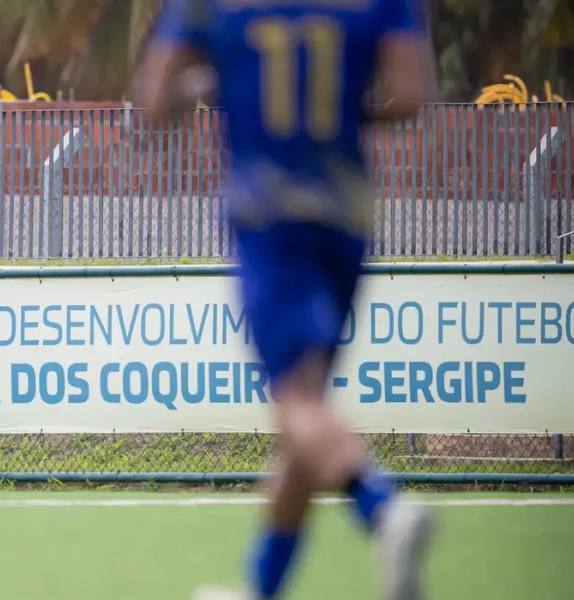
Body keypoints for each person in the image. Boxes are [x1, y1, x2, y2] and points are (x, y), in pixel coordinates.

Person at [131, 1, 438, 599]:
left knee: (296, 401)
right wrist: (337, 116)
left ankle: (383, 509)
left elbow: (152, 104)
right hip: (346, 219)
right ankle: (261, 588)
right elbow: (409, 97)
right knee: (306, 412)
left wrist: (218, 85)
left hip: (269, 218)